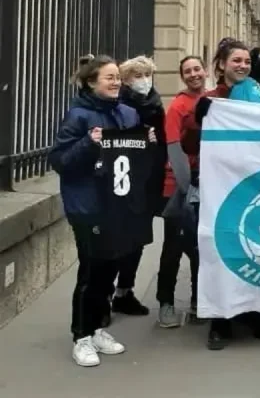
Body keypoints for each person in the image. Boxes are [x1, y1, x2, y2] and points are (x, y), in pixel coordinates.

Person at [49, 55, 151, 367]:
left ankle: (95, 330)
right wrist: (89, 144)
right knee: (91, 271)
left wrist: (147, 141)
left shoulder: (128, 113)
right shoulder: (78, 116)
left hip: (119, 205)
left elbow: (134, 160)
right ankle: (81, 335)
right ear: (92, 82)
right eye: (109, 78)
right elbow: (60, 161)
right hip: (89, 207)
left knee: (110, 269)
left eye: (117, 77)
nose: (116, 82)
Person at [182, 39, 260, 350]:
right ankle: (220, 322)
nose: (242, 66)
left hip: (258, 188)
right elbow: (188, 146)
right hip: (220, 192)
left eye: (246, 61)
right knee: (220, 253)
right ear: (222, 65)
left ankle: (259, 316)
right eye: (235, 61)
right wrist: (198, 121)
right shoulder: (211, 100)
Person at [107, 56, 167, 321]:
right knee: (117, 240)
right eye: (137, 76)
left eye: (147, 75)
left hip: (148, 180)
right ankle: (103, 296)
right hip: (123, 182)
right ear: (126, 80)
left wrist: (155, 141)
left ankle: (124, 292)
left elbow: (164, 140)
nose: (143, 81)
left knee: (139, 240)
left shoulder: (155, 102)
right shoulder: (118, 105)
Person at [156, 56, 206, 328]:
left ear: (205, 71)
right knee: (173, 248)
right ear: (182, 76)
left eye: (197, 69)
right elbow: (174, 149)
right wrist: (187, 189)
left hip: (204, 186)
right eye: (188, 71)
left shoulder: (212, 101)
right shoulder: (178, 107)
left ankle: (199, 301)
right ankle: (166, 303)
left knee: (200, 250)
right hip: (177, 187)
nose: (193, 74)